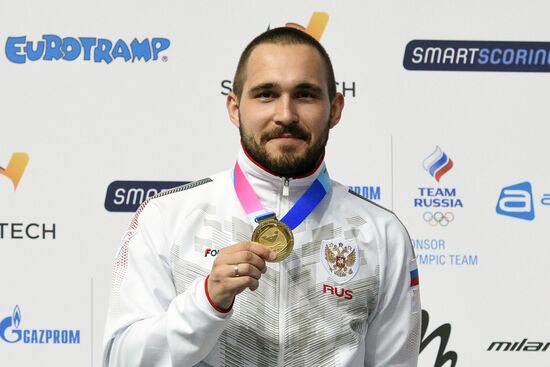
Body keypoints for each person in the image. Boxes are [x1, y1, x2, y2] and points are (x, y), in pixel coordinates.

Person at [102, 27, 421, 367]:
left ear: (336, 108)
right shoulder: (167, 216)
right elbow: (121, 359)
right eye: (266, 94)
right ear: (235, 108)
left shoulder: (381, 233)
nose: (285, 114)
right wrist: (206, 301)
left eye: (306, 95)